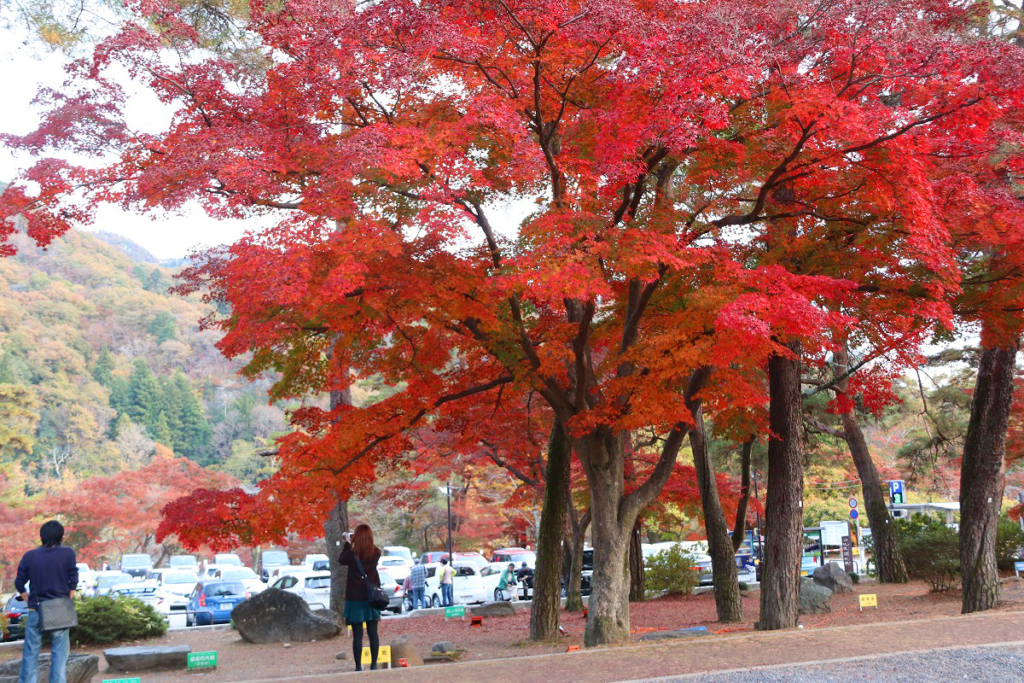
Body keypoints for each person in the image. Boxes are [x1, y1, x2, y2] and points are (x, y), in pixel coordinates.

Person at [15, 520, 79, 683]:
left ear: (42, 536)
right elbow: (73, 579)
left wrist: (27, 599)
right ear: (61, 535)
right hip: (60, 610)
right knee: (59, 654)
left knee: (30, 654)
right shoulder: (68, 553)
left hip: (36, 609)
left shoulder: (30, 555)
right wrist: (67, 599)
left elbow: (19, 583)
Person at [338, 524, 382, 672]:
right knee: (373, 632)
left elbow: (341, 560)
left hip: (355, 598)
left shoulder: (351, 554)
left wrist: (347, 543)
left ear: (356, 536)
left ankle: (358, 666)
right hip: (371, 598)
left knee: (358, 635)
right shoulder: (376, 553)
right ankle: (374, 665)